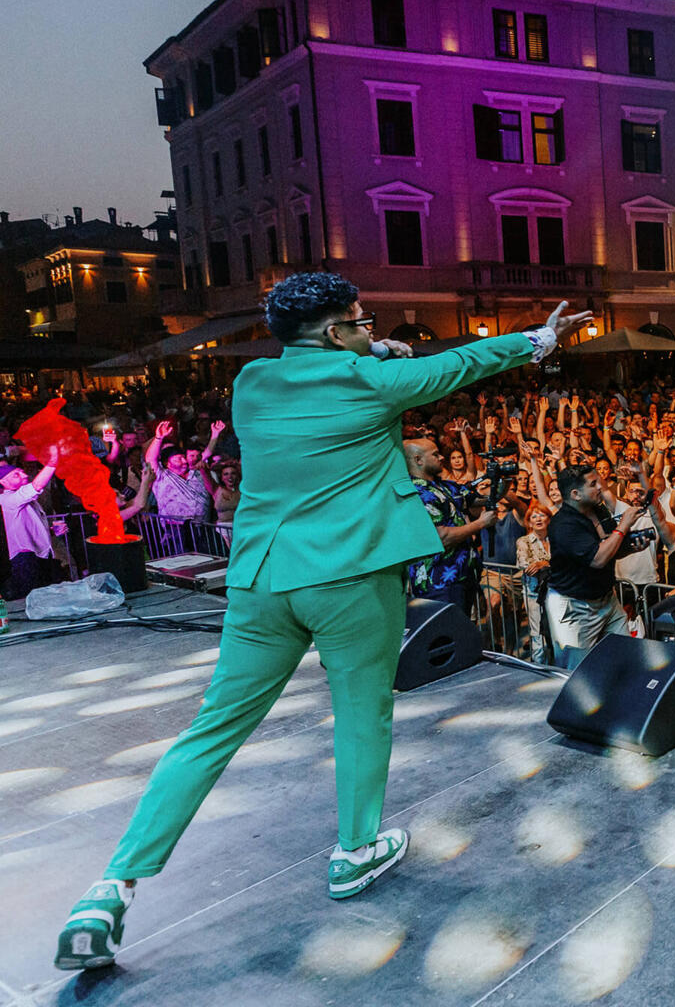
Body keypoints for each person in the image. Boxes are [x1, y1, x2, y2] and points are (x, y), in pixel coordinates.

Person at [55, 274, 589, 970]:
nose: (372, 327)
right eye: (362, 319)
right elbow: (459, 363)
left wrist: (372, 349)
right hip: (350, 577)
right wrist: (540, 339)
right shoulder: (368, 383)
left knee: (212, 730)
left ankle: (110, 888)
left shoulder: (251, 386)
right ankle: (355, 852)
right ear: (337, 332)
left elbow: (340, 371)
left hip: (262, 581)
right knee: (361, 715)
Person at [546, 465, 643, 671]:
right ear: (575, 494)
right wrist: (624, 525)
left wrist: (629, 547)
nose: (601, 486)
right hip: (575, 608)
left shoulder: (598, 510)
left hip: (607, 600)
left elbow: (608, 549)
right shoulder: (563, 525)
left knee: (626, 657)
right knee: (576, 672)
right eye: (593, 484)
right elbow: (597, 559)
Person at [402, 438, 495, 615]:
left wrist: (498, 479)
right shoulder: (416, 494)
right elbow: (440, 537)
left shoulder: (443, 486)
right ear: (418, 460)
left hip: (462, 576)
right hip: (439, 582)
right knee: (446, 636)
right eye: (435, 454)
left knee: (462, 631)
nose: (442, 457)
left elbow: (477, 499)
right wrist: (481, 523)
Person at [1, 448, 60, 601]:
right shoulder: (6, 500)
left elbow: (27, 526)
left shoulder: (24, 500)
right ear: (3, 482)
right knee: (32, 601)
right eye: (16, 474)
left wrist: (52, 531)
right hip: (24, 559)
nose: (24, 475)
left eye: (21, 472)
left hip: (39, 555)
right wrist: (52, 462)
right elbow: (36, 486)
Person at [516, 506, 552, 664]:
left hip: (557, 592)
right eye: (534, 516)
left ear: (549, 519)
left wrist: (544, 564)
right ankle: (539, 669)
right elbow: (527, 566)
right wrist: (549, 565)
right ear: (529, 523)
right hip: (534, 594)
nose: (538, 519)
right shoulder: (524, 541)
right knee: (538, 635)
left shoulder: (555, 539)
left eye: (542, 515)